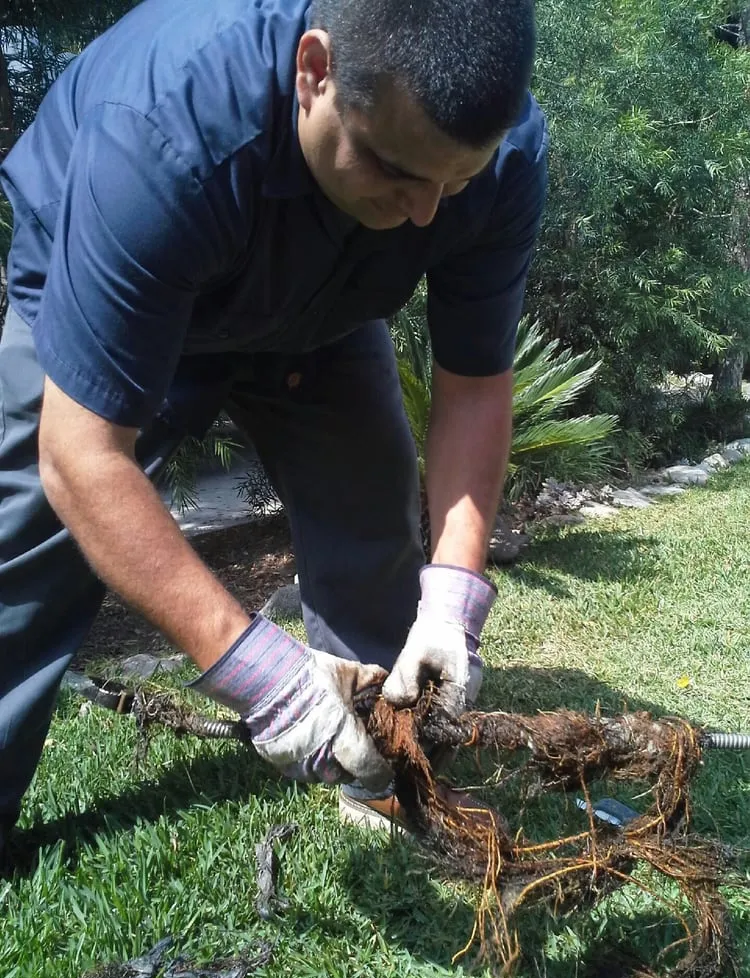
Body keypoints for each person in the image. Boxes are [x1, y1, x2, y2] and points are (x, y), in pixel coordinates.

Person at [0, 0, 547, 849]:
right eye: (397, 169)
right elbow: (83, 456)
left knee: (370, 498)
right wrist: (262, 678)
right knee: (27, 538)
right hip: (110, 283)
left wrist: (453, 602)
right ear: (314, 71)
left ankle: (381, 755)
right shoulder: (159, 130)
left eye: (457, 182)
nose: (427, 214)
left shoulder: (497, 154)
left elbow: (474, 386)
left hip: (319, 311)